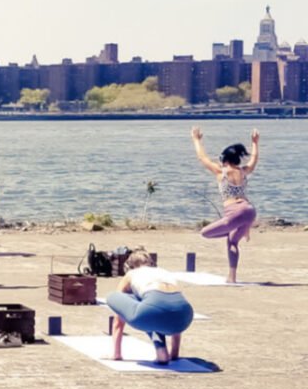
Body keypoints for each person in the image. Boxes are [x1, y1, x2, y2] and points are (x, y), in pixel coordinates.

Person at [191, 126, 259, 284]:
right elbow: (254, 160)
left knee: (205, 233)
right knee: (232, 241)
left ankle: (239, 230)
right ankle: (232, 277)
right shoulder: (243, 171)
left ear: (224, 160)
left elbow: (202, 158)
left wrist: (196, 140)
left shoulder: (221, 172)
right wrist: (255, 142)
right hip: (249, 210)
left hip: (235, 212)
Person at [106, 249, 194, 364]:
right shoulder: (164, 272)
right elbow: (172, 306)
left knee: (114, 296)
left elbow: (118, 318)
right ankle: (162, 351)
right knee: (158, 311)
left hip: (151, 311)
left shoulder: (131, 274)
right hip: (184, 317)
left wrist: (116, 354)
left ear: (129, 266)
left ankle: (117, 352)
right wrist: (175, 354)